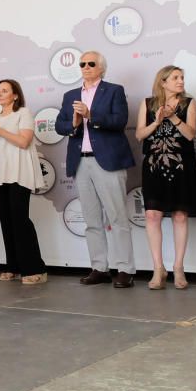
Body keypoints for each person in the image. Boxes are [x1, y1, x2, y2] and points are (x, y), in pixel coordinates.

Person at [54, 51, 137, 288]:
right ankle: (99, 267)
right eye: (82, 64)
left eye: (91, 63)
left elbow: (120, 121)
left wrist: (91, 116)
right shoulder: (70, 95)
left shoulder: (113, 90)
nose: (86, 67)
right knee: (91, 219)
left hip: (108, 161)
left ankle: (125, 269)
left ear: (101, 67)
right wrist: (74, 123)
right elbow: (60, 125)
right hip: (81, 161)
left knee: (117, 217)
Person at [135, 65, 196, 290]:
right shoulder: (147, 104)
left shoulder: (189, 104)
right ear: (163, 82)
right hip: (154, 167)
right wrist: (156, 122)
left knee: (180, 216)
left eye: (182, 77)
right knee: (153, 215)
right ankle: (158, 268)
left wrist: (173, 117)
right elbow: (139, 135)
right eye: (175, 78)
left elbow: (190, 134)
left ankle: (178, 268)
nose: (180, 81)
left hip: (182, 167)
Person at [0, 79, 47, 285]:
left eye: (4, 91)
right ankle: (13, 266)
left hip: (19, 172)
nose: (0, 94)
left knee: (20, 221)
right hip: (0, 173)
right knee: (7, 222)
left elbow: (24, 141)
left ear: (15, 95)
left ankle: (35, 268)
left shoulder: (23, 113)